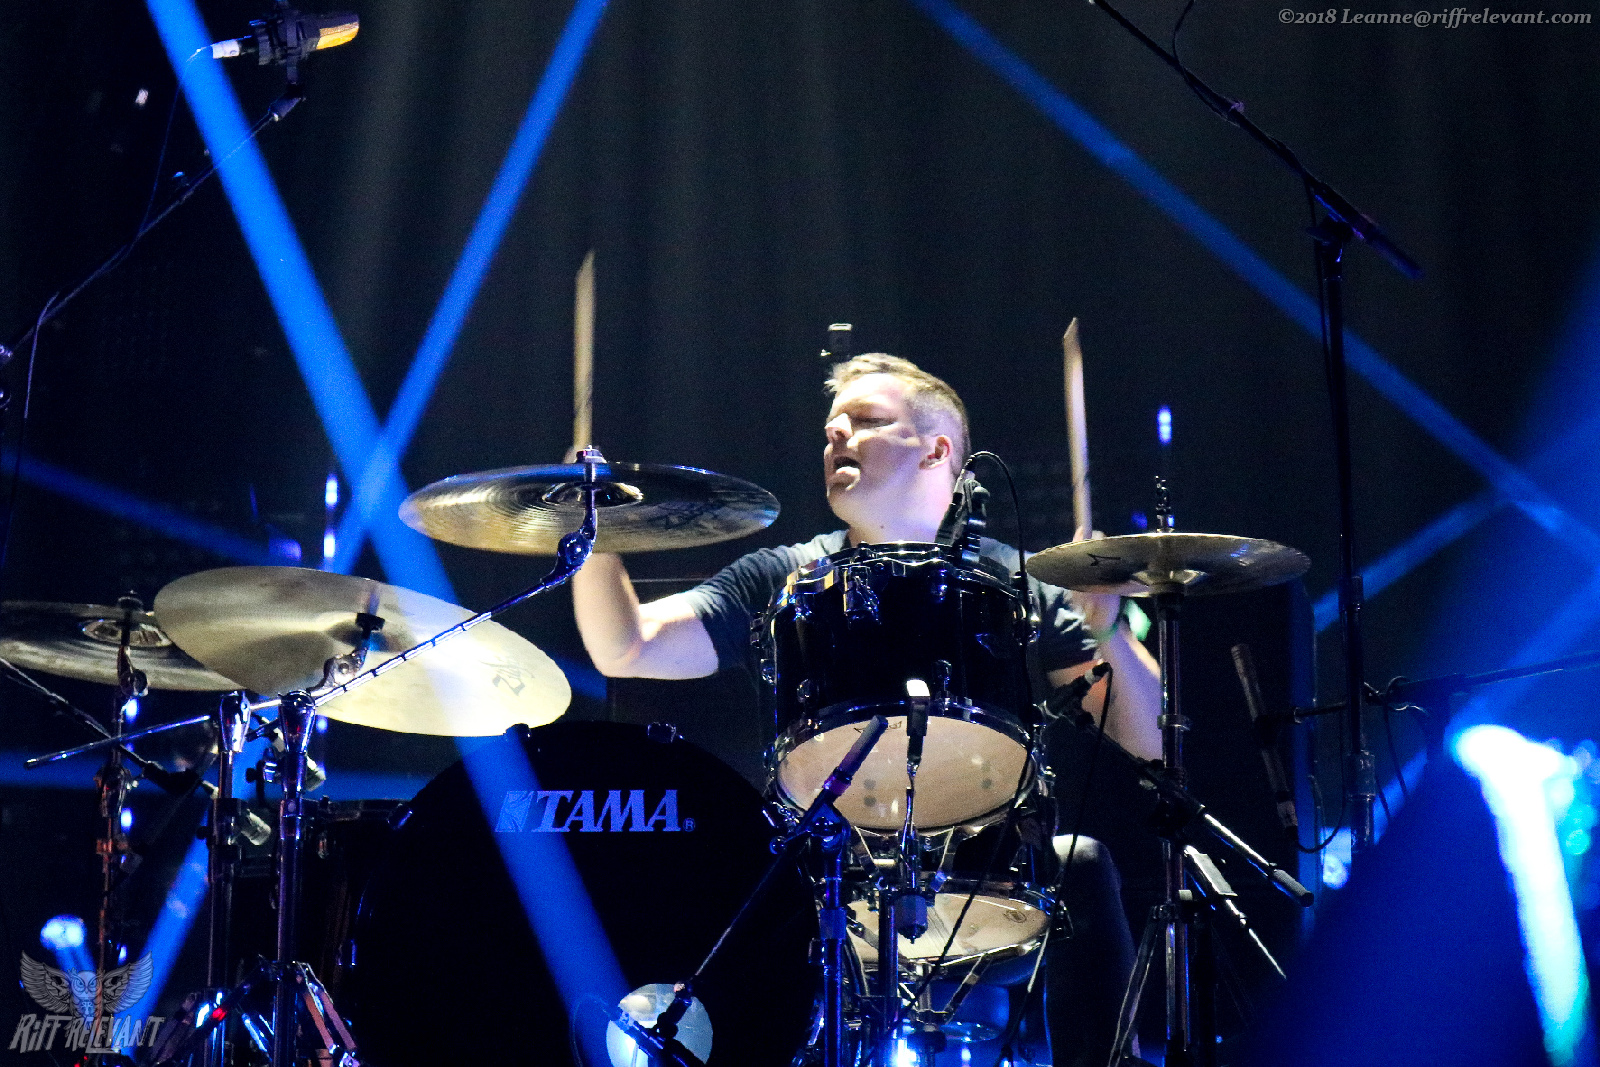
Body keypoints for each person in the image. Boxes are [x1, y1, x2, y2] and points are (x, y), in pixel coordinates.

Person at [573, 353, 1162, 1066]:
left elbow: (1150, 740)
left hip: (989, 878)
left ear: (937, 451)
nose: (836, 437)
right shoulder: (782, 576)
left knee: (1085, 866)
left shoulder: (1019, 581)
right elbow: (626, 647)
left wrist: (1108, 630)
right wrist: (592, 524)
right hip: (818, 874)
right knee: (705, 885)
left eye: (867, 421)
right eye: (831, 428)